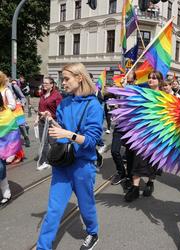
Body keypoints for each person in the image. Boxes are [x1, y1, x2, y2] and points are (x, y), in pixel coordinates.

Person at [36, 63, 103, 250]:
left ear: (79, 78)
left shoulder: (94, 105)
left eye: (66, 78)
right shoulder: (65, 103)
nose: (62, 82)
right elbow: (62, 129)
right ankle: (43, 247)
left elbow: (92, 141)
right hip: (63, 163)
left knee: (86, 204)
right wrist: (51, 121)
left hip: (83, 164)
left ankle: (92, 232)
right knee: (54, 210)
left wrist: (69, 135)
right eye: (62, 78)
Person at [124, 71, 164, 202]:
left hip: (156, 134)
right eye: (150, 78)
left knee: (153, 160)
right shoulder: (143, 93)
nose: (151, 80)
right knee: (137, 158)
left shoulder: (165, 97)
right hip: (141, 132)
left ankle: (150, 182)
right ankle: (135, 188)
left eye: (154, 78)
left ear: (159, 81)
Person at [111, 72, 136, 186]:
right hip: (119, 126)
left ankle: (130, 176)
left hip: (131, 128)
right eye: (127, 81)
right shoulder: (120, 90)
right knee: (114, 150)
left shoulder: (136, 92)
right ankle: (121, 172)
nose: (128, 83)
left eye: (131, 82)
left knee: (130, 155)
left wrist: (124, 89)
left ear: (134, 82)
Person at [35, 77, 62, 171]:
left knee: (53, 142)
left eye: (46, 83)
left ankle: (57, 158)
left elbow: (60, 110)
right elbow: (40, 108)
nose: (44, 85)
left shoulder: (57, 95)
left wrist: (51, 115)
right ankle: (45, 161)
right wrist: (37, 118)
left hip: (52, 122)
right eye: (43, 83)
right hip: (42, 122)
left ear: (52, 85)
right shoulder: (42, 94)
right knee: (43, 142)